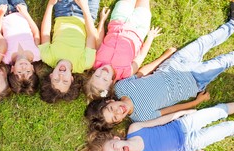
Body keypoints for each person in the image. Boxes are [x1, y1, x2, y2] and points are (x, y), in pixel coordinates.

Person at [84, 7, 234, 131]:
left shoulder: (121, 87)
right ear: (119, 121)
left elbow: (143, 72)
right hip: (192, 82)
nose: (118, 111)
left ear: (110, 101)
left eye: (111, 109)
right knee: (224, 61)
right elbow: (172, 110)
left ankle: (231, 24)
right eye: (116, 117)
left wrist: (165, 56)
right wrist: (195, 102)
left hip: (174, 64)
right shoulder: (141, 117)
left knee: (204, 41)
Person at [87, 102, 234, 151]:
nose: (118, 150)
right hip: (189, 144)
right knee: (224, 130)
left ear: (116, 138)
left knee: (218, 111)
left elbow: (160, 120)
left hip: (183, 124)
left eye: (114, 146)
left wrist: (182, 113)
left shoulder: (134, 128)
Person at [83, 0, 162, 100]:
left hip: (118, 20)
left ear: (92, 74)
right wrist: (150, 37)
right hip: (138, 28)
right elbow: (141, 55)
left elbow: (99, 39)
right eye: (105, 79)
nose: (102, 73)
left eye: (97, 75)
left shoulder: (96, 61)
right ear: (111, 83)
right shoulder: (126, 72)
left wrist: (102, 20)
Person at [38, 0, 99, 103]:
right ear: (71, 79)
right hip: (87, 14)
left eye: (56, 80)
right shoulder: (84, 63)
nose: (61, 76)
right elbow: (91, 36)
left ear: (51, 76)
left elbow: (45, 32)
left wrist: (50, 4)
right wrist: (84, 8)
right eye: (65, 81)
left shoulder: (47, 57)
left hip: (63, 10)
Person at [0, 0, 41, 95]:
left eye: (20, 72)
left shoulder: (6, 58)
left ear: (12, 70)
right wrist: (25, 13)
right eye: (28, 71)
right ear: (33, 69)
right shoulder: (37, 54)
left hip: (3, 13)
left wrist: (0, 15)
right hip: (20, 9)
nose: (23, 67)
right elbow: (35, 32)